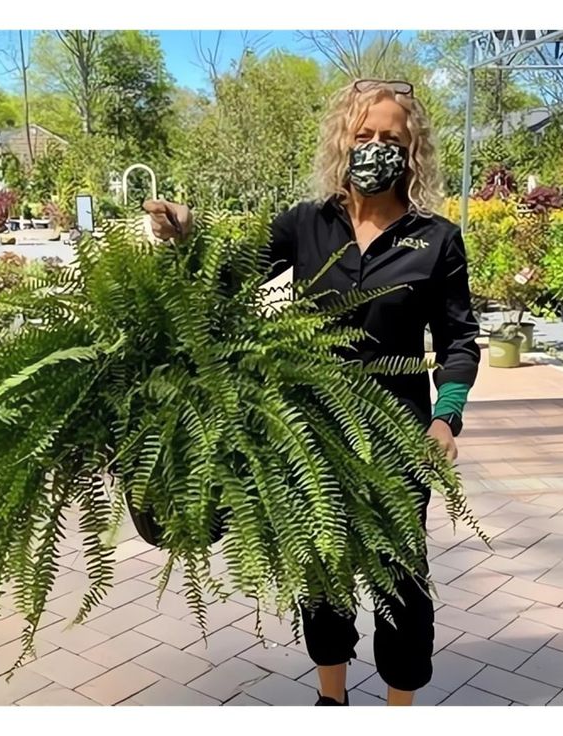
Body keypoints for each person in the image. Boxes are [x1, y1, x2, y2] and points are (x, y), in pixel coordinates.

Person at [142, 78, 480, 707]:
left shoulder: (435, 238)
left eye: (391, 139)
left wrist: (446, 419)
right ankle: (332, 701)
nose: (376, 148)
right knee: (320, 571)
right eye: (365, 136)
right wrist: (188, 237)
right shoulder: (304, 224)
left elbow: (459, 339)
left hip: (399, 434)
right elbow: (231, 281)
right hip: (309, 430)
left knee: (401, 578)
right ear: (343, 142)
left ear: (412, 151)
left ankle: (398, 708)